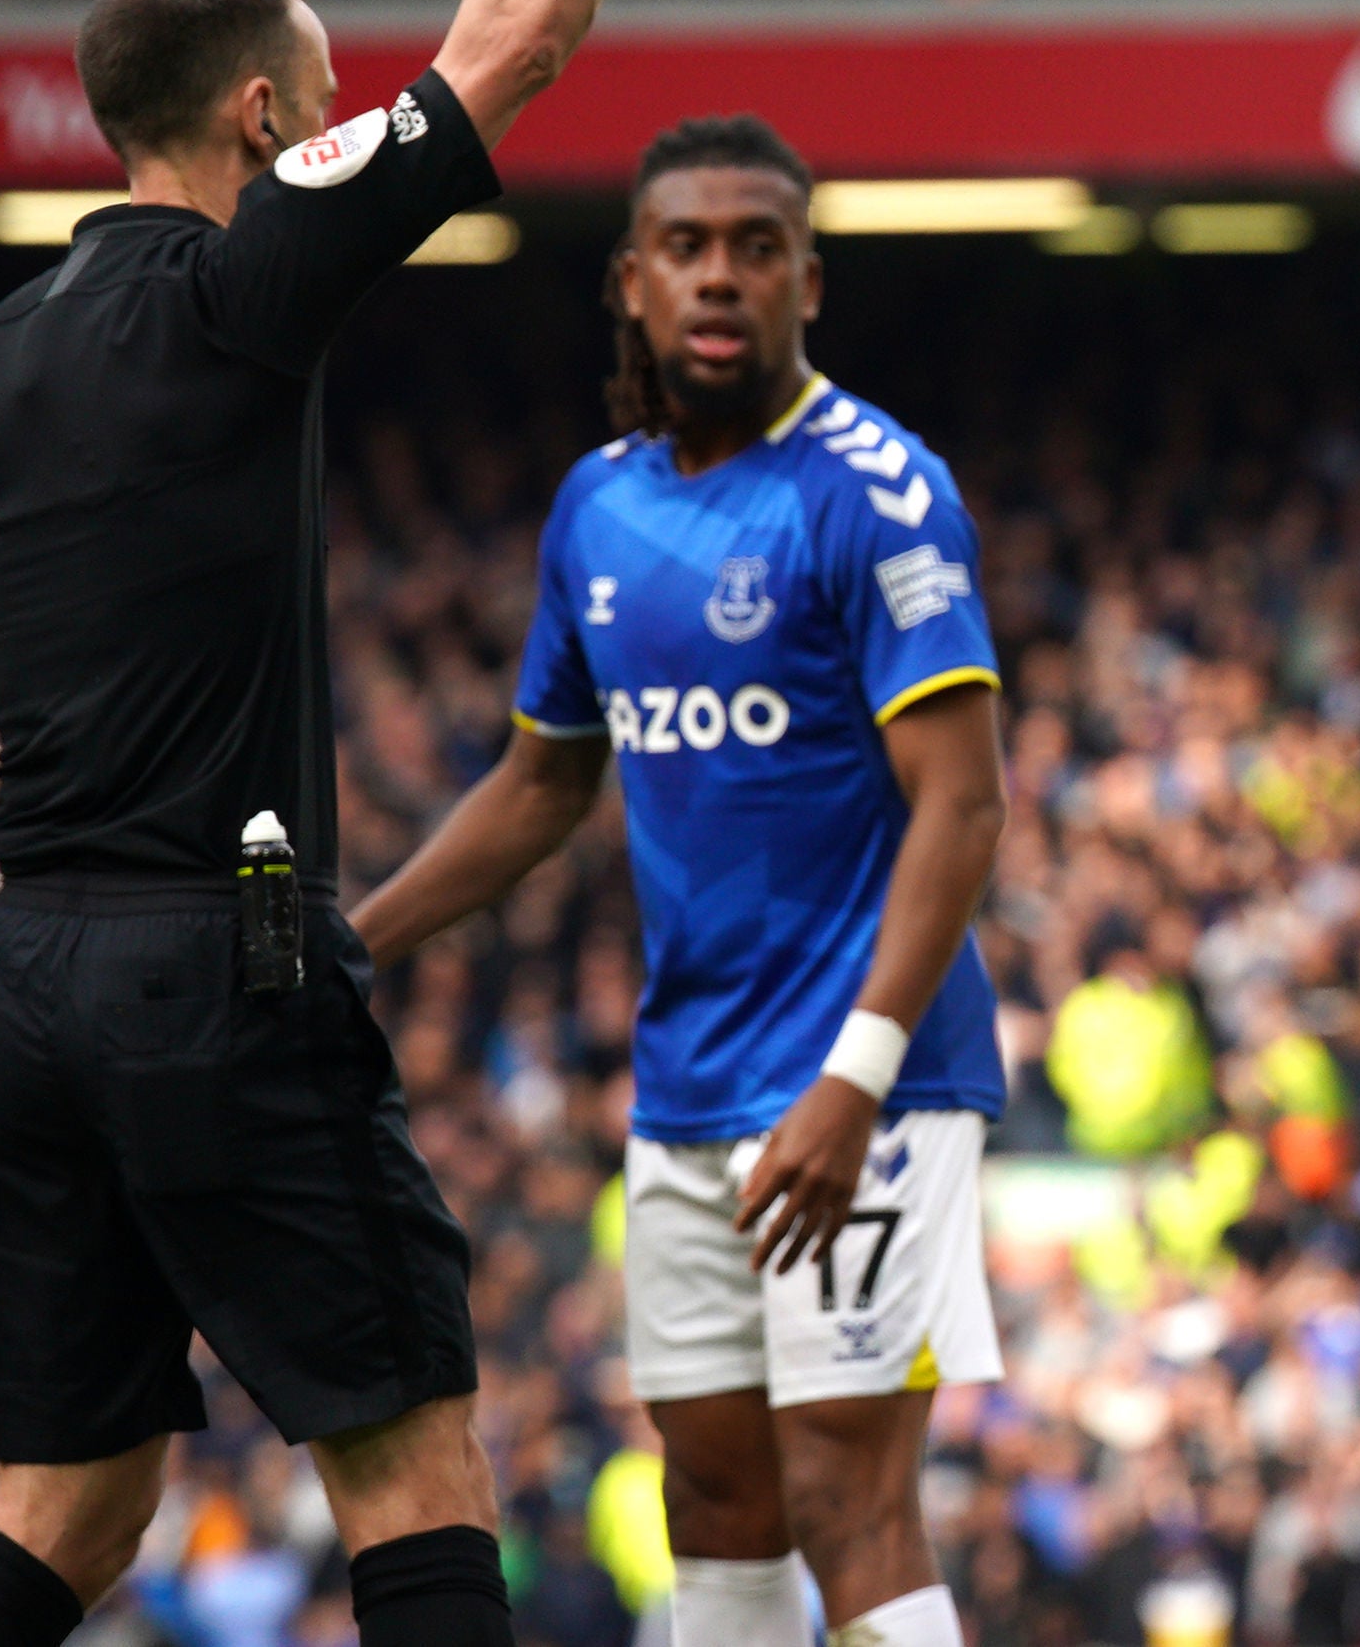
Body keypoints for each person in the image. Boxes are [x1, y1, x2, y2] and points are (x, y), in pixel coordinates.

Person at [0, 0, 731, 1647]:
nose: (333, 112)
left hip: (24, 974)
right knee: (408, 1458)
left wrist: (36, 802)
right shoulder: (245, 279)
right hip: (228, 953)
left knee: (70, 1498)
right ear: (265, 121)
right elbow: (520, 44)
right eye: (319, 90)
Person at [350, 114, 1010, 1647]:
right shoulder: (599, 503)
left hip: (870, 1088)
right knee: (712, 1503)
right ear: (633, 280)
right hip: (686, 1085)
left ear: (808, 282)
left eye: (758, 248)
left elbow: (963, 808)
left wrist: (857, 1075)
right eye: (691, 248)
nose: (723, 277)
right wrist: (361, 935)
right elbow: (541, 777)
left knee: (852, 1500)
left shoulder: (879, 490)